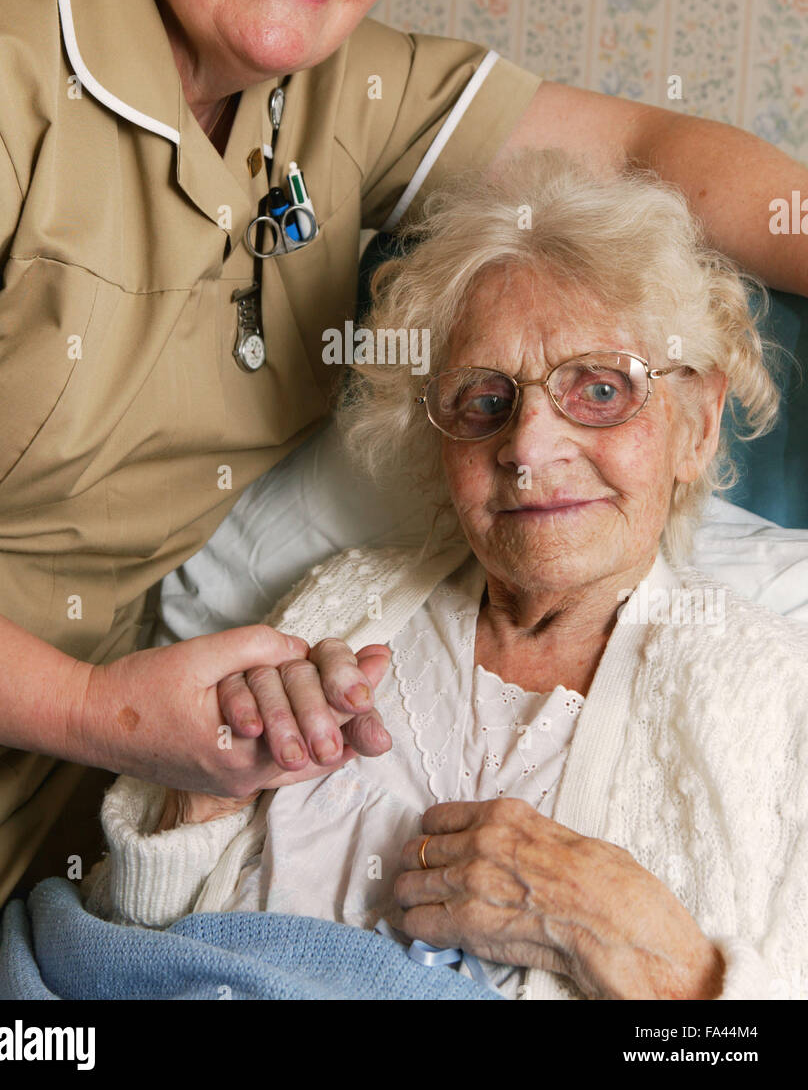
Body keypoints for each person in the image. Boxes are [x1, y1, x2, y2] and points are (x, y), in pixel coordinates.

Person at [0, 0, 806, 976]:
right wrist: (105, 716)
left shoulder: (340, 91)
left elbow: (642, 152)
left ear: (696, 421)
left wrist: (681, 982)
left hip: (24, 818)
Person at [76, 154, 807, 1002]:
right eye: (485, 400)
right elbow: (119, 940)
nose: (529, 448)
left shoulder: (775, 699)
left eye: (601, 388)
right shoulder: (342, 601)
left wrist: (646, 953)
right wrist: (195, 804)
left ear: (698, 423)